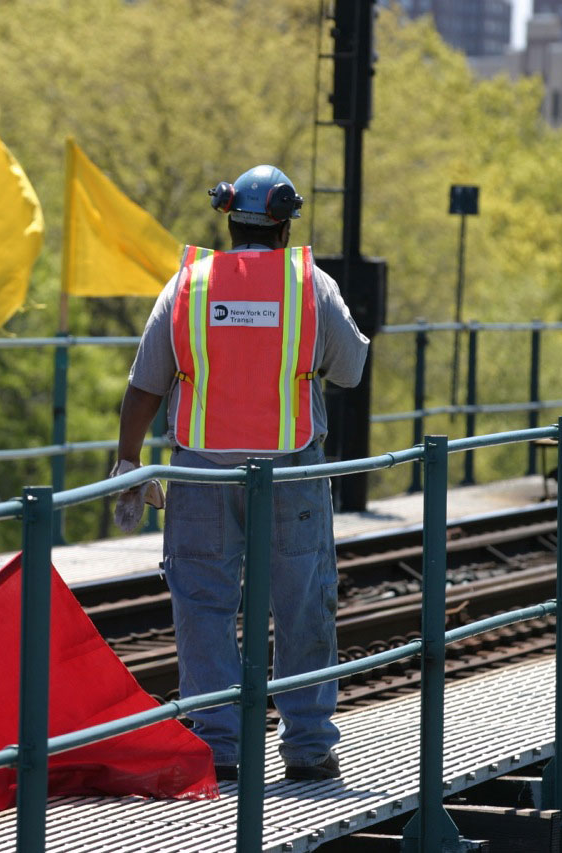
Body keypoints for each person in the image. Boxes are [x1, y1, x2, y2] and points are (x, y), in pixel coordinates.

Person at [112, 164, 370, 782]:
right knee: (303, 601)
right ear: (285, 224)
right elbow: (352, 369)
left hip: (201, 472)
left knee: (202, 602)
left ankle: (219, 746)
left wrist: (127, 460)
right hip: (292, 472)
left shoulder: (188, 285)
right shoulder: (313, 286)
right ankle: (308, 749)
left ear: (228, 219)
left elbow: (145, 384)